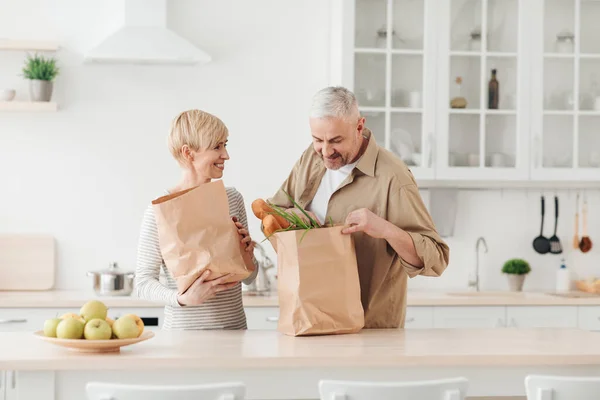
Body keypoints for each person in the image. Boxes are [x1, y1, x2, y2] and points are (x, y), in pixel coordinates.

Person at [267, 86, 449, 329]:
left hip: (369, 328)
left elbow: (437, 258)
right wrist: (296, 217)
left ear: (359, 126)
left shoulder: (393, 178)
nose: (326, 151)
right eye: (317, 139)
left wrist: (384, 229)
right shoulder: (312, 158)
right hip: (309, 319)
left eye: (336, 140)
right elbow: (273, 212)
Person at [135, 109, 258, 330]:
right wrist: (181, 299)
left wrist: (249, 256)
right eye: (217, 147)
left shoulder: (232, 199)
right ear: (189, 153)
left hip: (235, 333)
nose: (226, 155)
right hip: (183, 337)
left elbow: (250, 278)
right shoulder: (161, 209)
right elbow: (143, 283)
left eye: (225, 145)